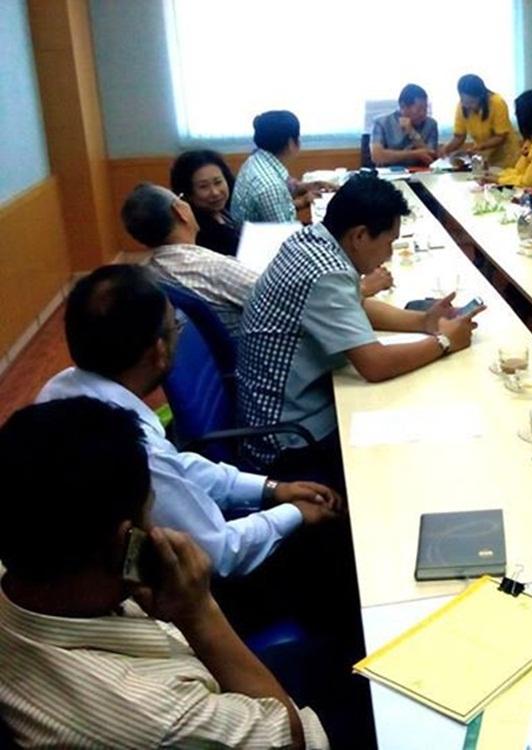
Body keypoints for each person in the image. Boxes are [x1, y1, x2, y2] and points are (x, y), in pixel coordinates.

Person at [0, 397, 328, 748]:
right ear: (125, 541)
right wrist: (200, 613)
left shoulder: (38, 573)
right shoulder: (157, 718)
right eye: (150, 513)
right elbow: (292, 738)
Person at [35, 265, 339, 577]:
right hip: (156, 588)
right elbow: (221, 553)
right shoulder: (134, 453)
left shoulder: (60, 387)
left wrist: (270, 489)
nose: (178, 335)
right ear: (159, 351)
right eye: (175, 328)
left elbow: (179, 468)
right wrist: (294, 513)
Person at [238, 173, 485, 469]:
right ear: (360, 236)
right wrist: (444, 342)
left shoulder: (313, 241)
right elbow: (375, 365)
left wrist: (424, 322)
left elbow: (354, 306)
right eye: (389, 242)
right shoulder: (326, 273)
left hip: (290, 408)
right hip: (290, 438)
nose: (389, 254)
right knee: (422, 443)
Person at [122, 183, 393, 338]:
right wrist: (363, 287)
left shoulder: (149, 271)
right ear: (180, 210)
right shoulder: (211, 268)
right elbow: (297, 303)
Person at [122, 182, 259, 338]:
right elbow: (276, 298)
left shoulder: (144, 274)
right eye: (181, 198)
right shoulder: (214, 269)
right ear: (180, 211)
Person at [230, 110, 330, 223]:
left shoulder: (256, 159)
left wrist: (309, 187)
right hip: (274, 233)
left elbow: (281, 198)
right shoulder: (271, 186)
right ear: (291, 143)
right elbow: (285, 230)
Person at [170, 149, 241, 256]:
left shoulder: (228, 209)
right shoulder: (197, 231)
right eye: (203, 186)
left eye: (218, 182)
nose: (215, 192)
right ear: (188, 192)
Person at [439, 74, 520, 167]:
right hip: (484, 158)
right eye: (464, 101)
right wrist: (447, 148)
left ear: (481, 96)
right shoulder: (461, 106)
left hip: (506, 156)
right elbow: (459, 137)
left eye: (472, 102)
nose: (468, 106)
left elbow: (501, 136)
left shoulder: (497, 102)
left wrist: (481, 146)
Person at [371, 83, 439, 167]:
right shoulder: (382, 123)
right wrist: (415, 154)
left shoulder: (431, 124)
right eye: (419, 109)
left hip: (421, 173)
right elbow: (377, 156)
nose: (423, 113)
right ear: (403, 106)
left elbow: (431, 158)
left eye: (425, 109)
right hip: (389, 173)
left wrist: (412, 133)